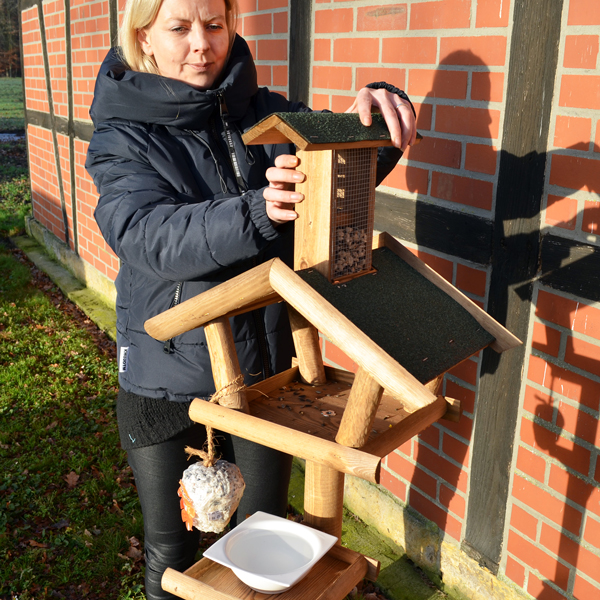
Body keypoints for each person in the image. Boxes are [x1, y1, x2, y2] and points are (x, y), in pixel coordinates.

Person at [85, 0, 416, 596]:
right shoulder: (120, 137)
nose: (201, 45)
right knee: (171, 544)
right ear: (144, 35)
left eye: (214, 25)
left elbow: (344, 164)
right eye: (179, 28)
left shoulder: (266, 112)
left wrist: (382, 108)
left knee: (262, 528)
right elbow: (145, 234)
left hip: (262, 373)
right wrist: (257, 210)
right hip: (166, 376)